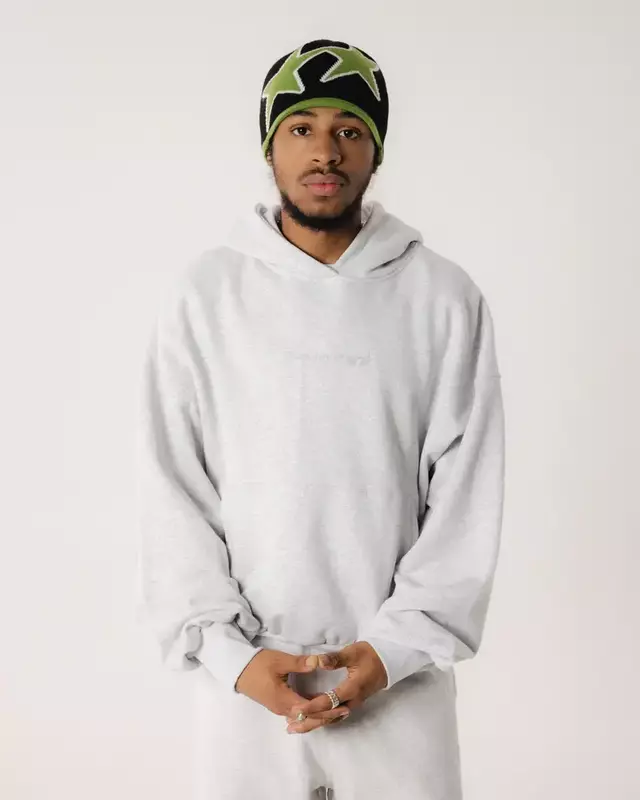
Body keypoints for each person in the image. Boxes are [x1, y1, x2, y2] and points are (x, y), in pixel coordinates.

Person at [135, 37, 506, 800]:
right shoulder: (207, 296)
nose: (325, 152)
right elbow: (171, 482)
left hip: (399, 689)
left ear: (376, 150)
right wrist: (232, 657)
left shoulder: (442, 299)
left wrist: (393, 651)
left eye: (349, 129)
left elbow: (467, 494)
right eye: (301, 128)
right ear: (269, 146)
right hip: (245, 692)